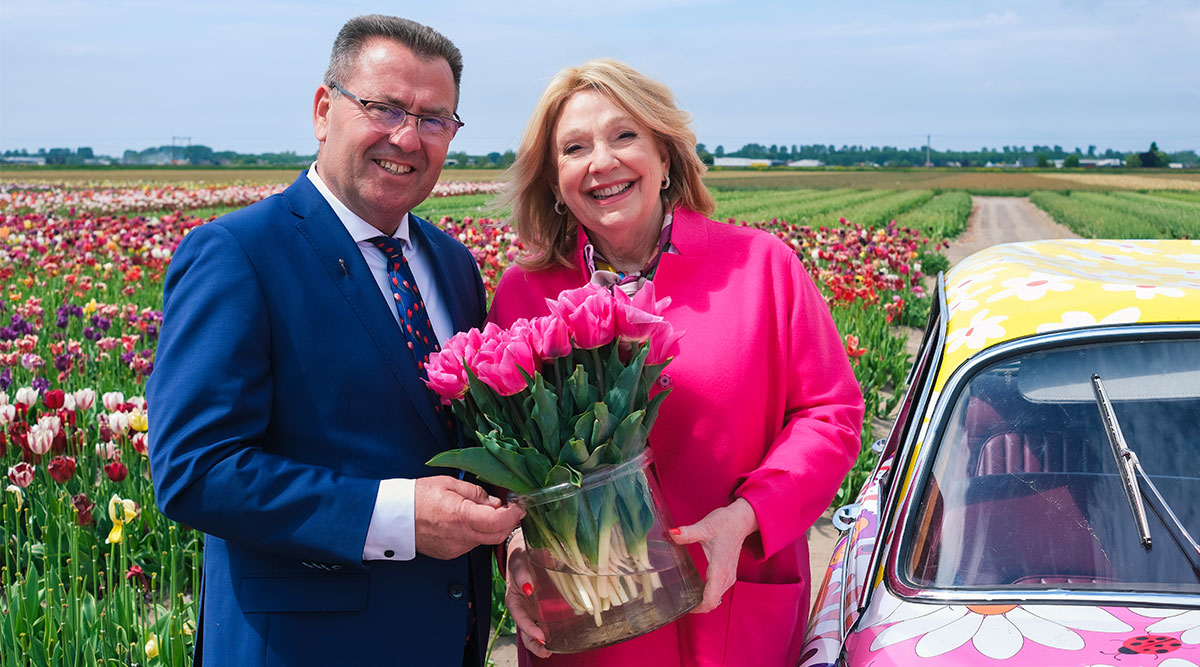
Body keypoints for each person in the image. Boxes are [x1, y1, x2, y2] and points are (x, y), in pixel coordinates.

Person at [147, 15, 523, 666]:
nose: (407, 137)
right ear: (325, 110)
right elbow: (195, 470)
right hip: (304, 646)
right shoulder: (239, 254)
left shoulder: (454, 266)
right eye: (384, 108)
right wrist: (401, 515)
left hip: (445, 639)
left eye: (435, 119)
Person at [487, 59, 865, 666]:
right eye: (575, 147)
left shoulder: (760, 268)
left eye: (624, 136)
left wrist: (746, 517)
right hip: (592, 627)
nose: (602, 161)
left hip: (734, 608)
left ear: (666, 158)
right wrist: (514, 555)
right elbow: (502, 467)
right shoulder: (524, 295)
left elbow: (831, 414)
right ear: (555, 181)